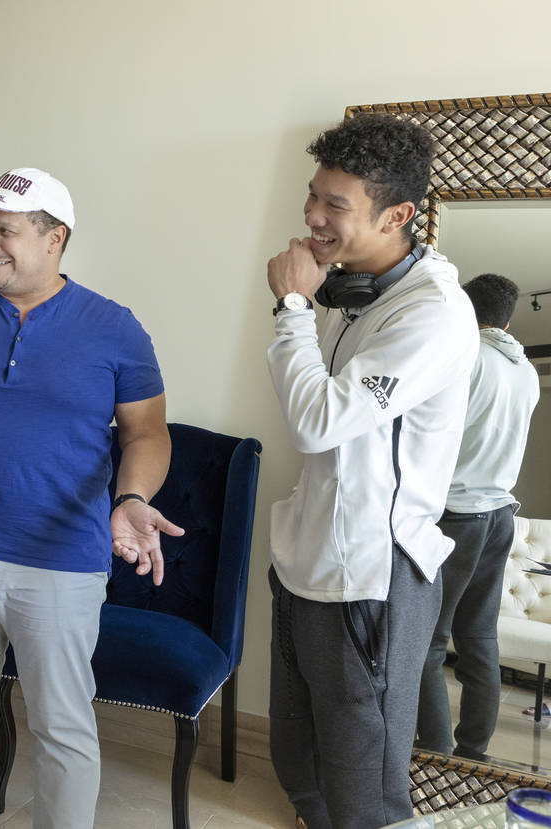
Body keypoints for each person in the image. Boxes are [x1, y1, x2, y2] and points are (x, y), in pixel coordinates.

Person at [0, 167, 180, 828]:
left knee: (61, 727)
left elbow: (147, 432)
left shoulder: (114, 328)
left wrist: (130, 495)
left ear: (55, 239)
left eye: (8, 230)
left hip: (62, 561)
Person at [265, 114, 480, 828]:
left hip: (371, 575)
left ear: (398, 215)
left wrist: (293, 305)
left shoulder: (435, 313)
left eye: (336, 205)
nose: (312, 217)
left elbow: (317, 420)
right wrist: (313, 300)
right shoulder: (354, 287)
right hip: (305, 560)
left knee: (366, 791)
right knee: (298, 762)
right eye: (312, 196)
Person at [415, 273, 540, 759]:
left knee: (428, 642)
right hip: (499, 516)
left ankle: (436, 753)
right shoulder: (526, 372)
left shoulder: (465, 358)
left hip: (458, 517)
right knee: (479, 640)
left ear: (466, 310)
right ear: (509, 318)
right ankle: (474, 756)